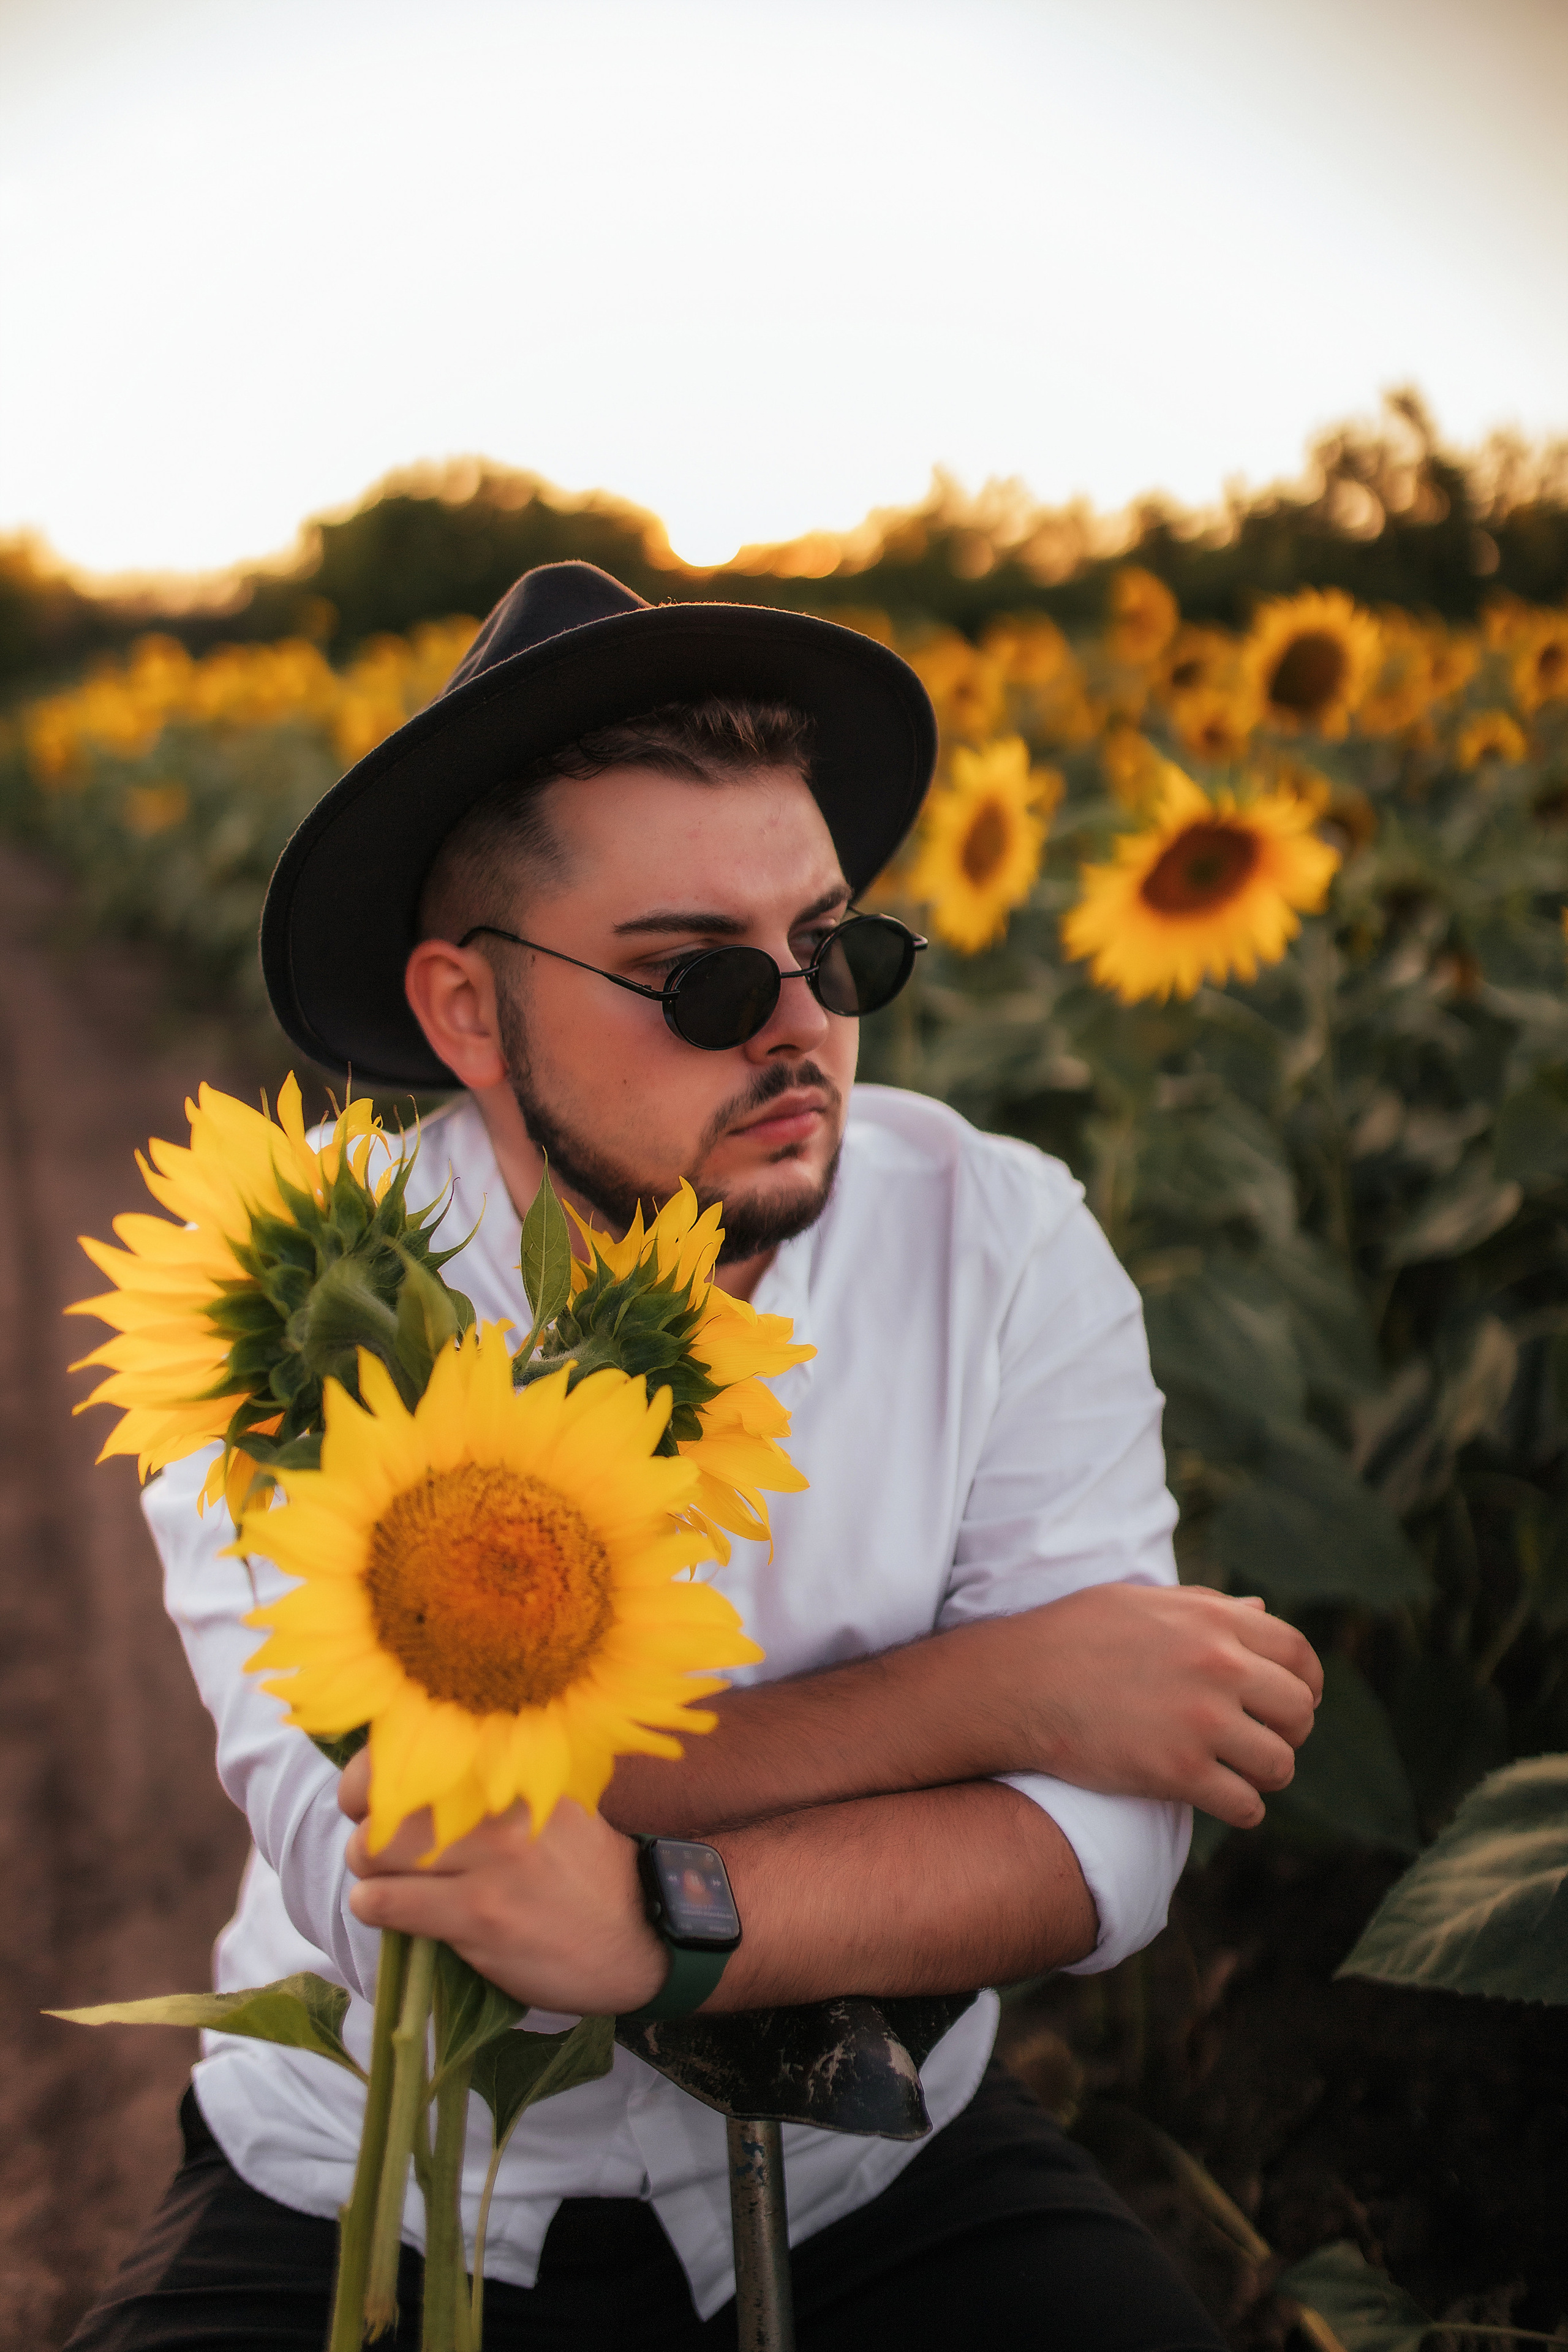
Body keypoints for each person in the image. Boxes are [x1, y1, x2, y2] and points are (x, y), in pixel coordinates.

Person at [70, 562, 1321, 2352]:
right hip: (387, 2188)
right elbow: (400, 1871)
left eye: (835, 947)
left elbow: (1102, 1856)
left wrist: (661, 1911)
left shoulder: (1001, 1237)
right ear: (467, 1015)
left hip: (876, 2172)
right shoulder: (291, 1305)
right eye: (702, 977)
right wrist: (1002, 1695)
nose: (803, 1023)